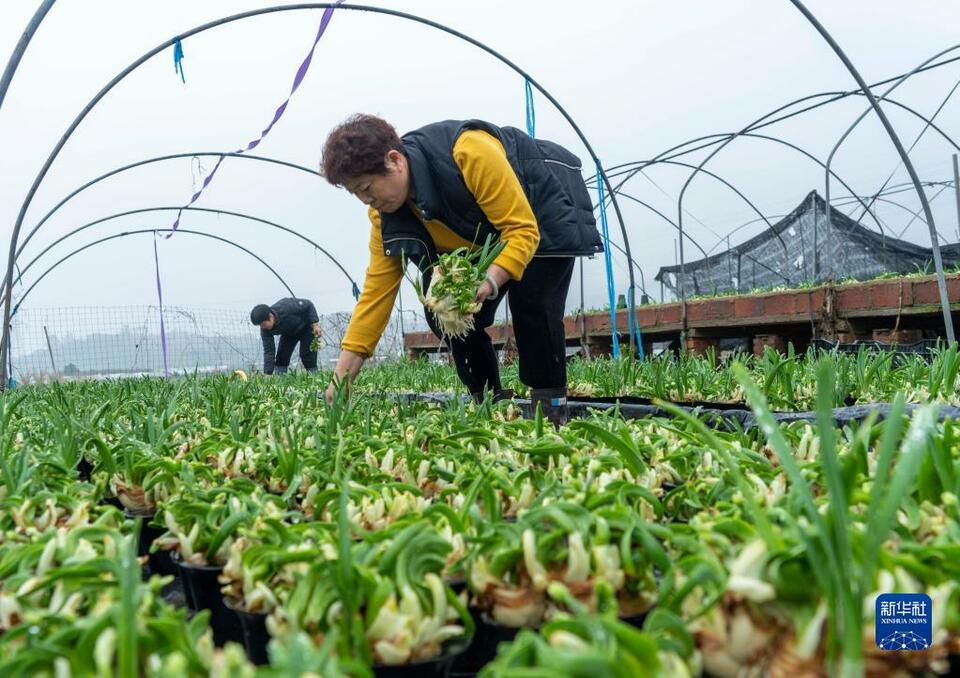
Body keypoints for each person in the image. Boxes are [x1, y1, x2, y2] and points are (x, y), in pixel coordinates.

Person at [320, 115, 603, 425]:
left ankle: (550, 409)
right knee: (446, 309)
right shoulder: (384, 217)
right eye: (356, 194)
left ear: (395, 160)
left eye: (367, 188)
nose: (366, 201)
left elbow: (522, 232)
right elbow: (376, 294)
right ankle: (489, 402)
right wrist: (342, 376)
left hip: (541, 211)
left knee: (534, 304)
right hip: (480, 240)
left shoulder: (468, 153)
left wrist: (490, 280)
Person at [250, 298, 321, 375]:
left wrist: (315, 323)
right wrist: (268, 373)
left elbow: (308, 304)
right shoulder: (265, 330)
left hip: (306, 328)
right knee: (281, 357)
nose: (262, 327)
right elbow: (269, 352)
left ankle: (314, 376)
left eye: (263, 324)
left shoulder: (286, 307)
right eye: (260, 325)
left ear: (270, 316)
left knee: (307, 356)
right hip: (289, 333)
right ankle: (280, 380)